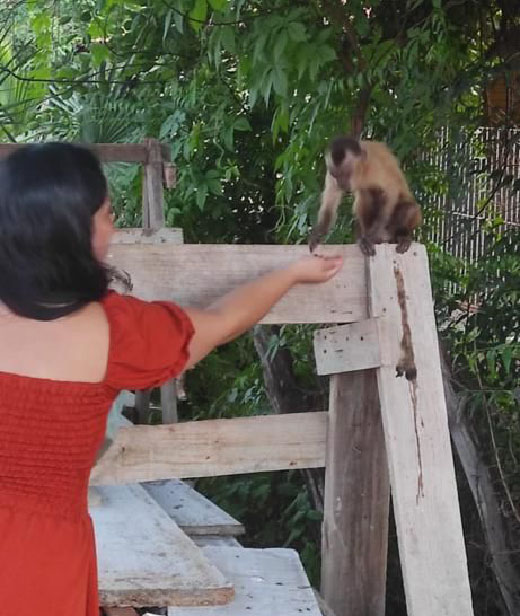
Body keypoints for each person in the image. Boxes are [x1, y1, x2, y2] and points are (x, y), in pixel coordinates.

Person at [0, 142, 343, 615]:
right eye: (106, 214)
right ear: (71, 231)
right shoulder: (117, 333)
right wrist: (291, 274)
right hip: (42, 562)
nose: (114, 227)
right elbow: (223, 320)